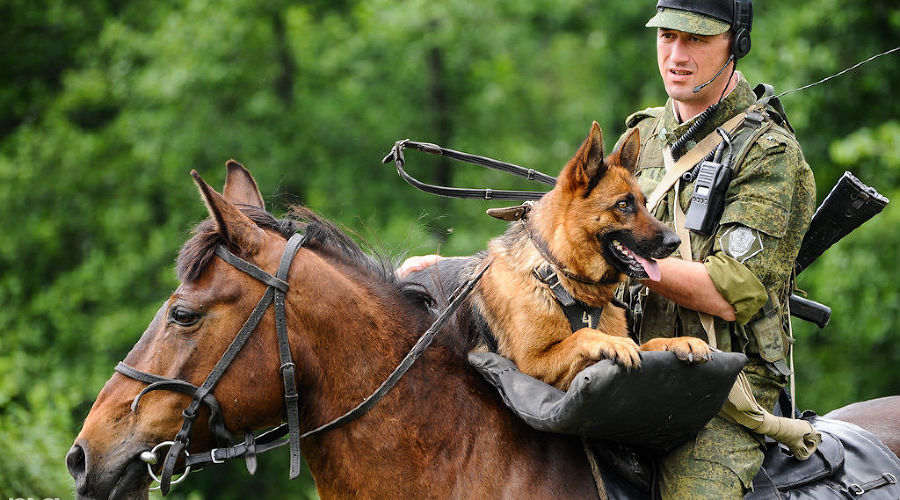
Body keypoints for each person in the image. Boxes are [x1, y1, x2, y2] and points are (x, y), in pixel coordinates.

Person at [400, 1, 815, 497]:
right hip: (617, 360)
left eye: (697, 40)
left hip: (712, 391)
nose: (677, 55)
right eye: (667, 37)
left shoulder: (768, 155)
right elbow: (564, 231)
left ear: (736, 44)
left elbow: (730, 292)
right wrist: (456, 271)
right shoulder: (645, 135)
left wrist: (626, 259)